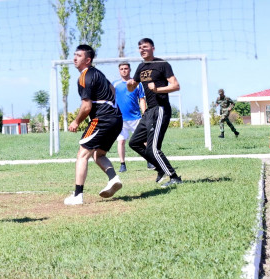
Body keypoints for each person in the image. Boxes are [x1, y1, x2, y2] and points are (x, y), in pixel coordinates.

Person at [64, 45, 124, 205]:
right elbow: (112, 89)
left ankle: (77, 195)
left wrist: (76, 122)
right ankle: (113, 178)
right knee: (99, 154)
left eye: (79, 55)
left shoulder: (84, 77)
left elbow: (86, 107)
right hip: (116, 119)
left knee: (82, 155)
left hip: (102, 119)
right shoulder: (99, 73)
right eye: (74, 54)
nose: (74, 58)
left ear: (88, 60)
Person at [127, 38, 183, 187]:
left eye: (145, 47)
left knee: (153, 147)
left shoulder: (162, 64)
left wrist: (157, 89)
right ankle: (160, 167)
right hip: (148, 111)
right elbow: (132, 88)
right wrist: (130, 84)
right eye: (139, 47)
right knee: (134, 143)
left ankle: (174, 177)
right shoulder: (140, 67)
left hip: (160, 108)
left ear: (153, 48)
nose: (142, 49)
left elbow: (176, 86)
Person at [112, 62, 145, 172]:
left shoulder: (137, 84)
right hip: (120, 119)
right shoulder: (115, 84)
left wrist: (144, 113)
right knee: (121, 141)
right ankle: (122, 164)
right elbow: (111, 100)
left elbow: (141, 99)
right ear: (119, 71)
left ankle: (150, 161)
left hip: (135, 118)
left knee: (144, 140)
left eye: (126, 68)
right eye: (121, 69)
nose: (124, 70)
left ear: (130, 70)